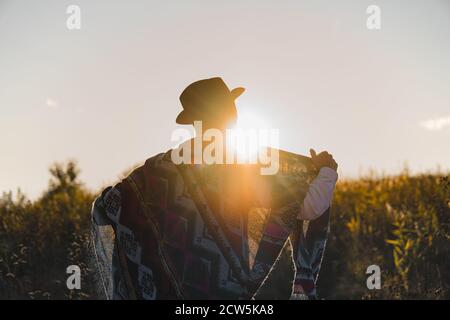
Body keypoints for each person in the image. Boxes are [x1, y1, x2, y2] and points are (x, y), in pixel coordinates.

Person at [91, 77, 338, 300]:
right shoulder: (246, 165)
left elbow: (110, 206)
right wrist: (326, 172)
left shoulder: (162, 167)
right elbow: (309, 207)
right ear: (228, 112)